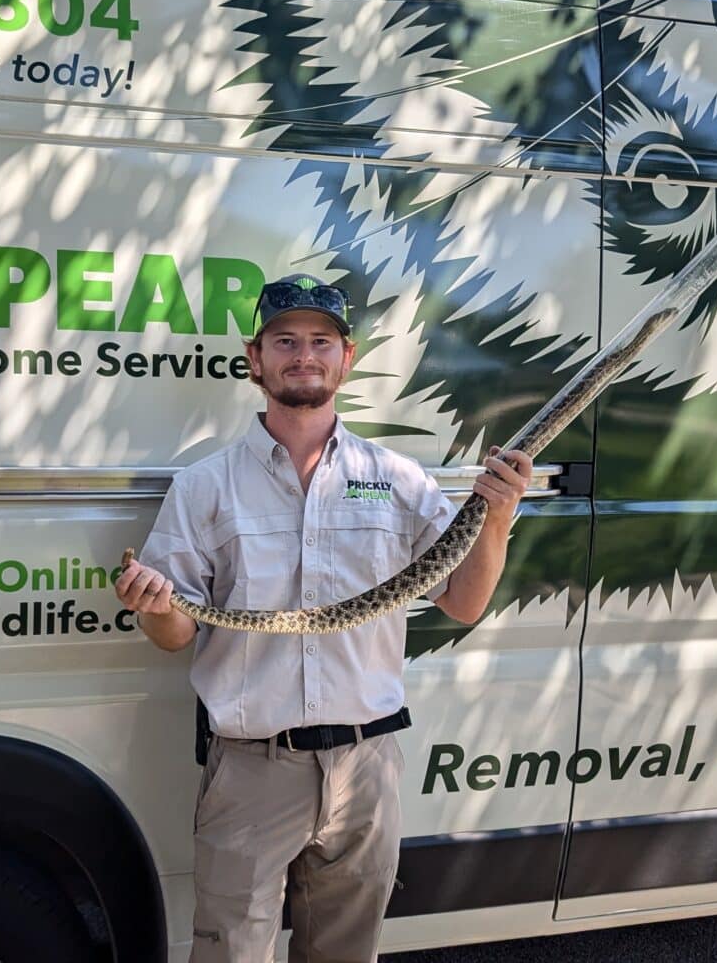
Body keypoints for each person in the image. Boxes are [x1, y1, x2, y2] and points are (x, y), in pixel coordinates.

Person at [114, 274, 532, 963]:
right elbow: (176, 633)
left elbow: (462, 602)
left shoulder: (395, 478)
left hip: (367, 767)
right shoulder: (204, 486)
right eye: (284, 341)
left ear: (347, 357)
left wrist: (498, 518)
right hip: (253, 769)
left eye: (319, 341)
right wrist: (157, 607)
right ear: (256, 359)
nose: (302, 355)